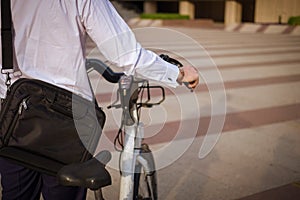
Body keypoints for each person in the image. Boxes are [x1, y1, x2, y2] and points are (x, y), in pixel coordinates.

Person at [0, 0, 199, 199]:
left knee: (16, 193)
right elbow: (126, 54)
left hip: (12, 114)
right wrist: (178, 73)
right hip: (67, 117)